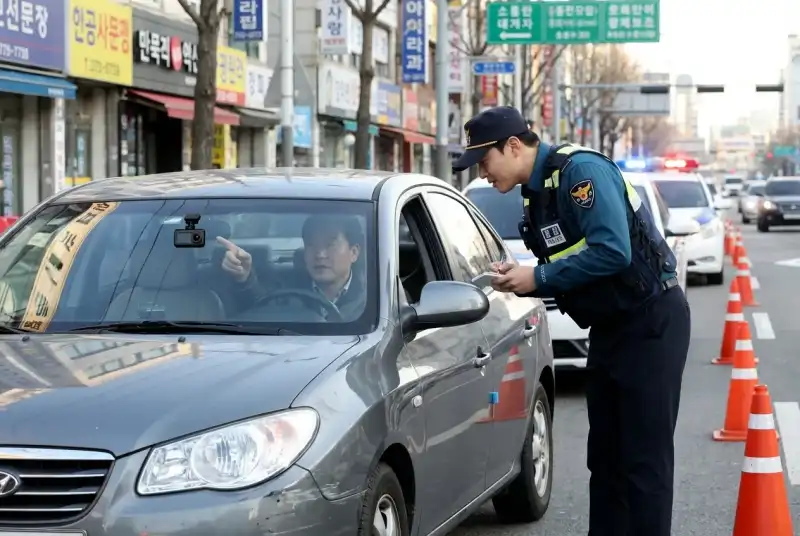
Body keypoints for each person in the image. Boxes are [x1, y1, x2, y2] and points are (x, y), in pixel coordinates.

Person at [453, 106, 690, 536]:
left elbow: (613, 251)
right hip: (611, 327)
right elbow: (570, 258)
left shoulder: (579, 172)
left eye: (484, 162)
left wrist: (536, 276)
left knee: (643, 460)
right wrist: (522, 278)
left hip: (650, 321)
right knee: (605, 459)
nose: (483, 174)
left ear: (513, 146)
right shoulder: (536, 190)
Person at [216, 214, 366, 321]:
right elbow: (258, 304)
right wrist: (244, 278)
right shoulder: (285, 288)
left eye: (330, 244)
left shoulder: (372, 299)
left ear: (354, 252)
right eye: (311, 245)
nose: (320, 254)